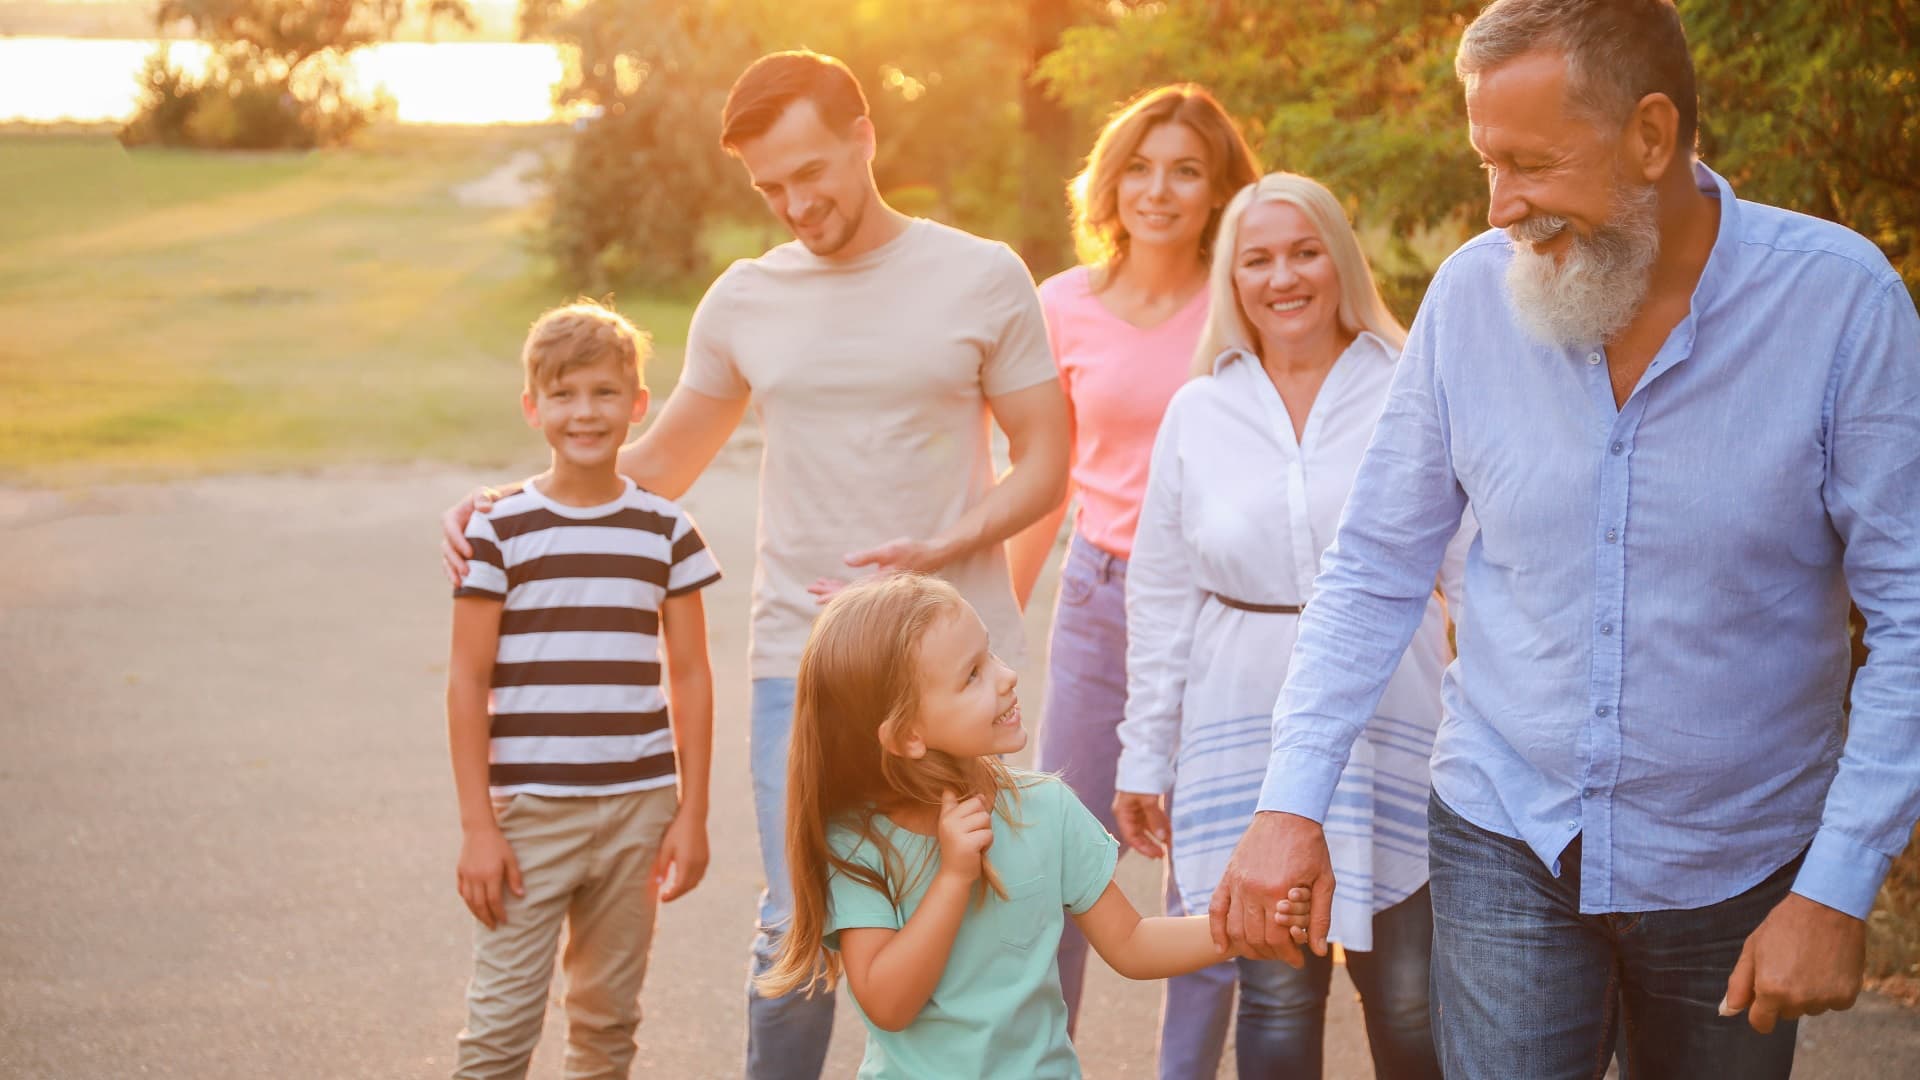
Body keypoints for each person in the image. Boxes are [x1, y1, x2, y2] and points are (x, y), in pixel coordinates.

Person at [1209, 2, 1920, 1078]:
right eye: (1487, 162)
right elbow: (1373, 571)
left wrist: (1836, 882)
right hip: (1507, 831)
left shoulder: (1840, 305)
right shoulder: (1467, 302)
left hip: (1735, 863)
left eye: (1532, 164)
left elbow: (1912, 615)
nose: (1501, 208)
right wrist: (1287, 801)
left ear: (1651, 134)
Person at [440, 51, 1070, 1080]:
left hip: (958, 663)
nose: (794, 203)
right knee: (802, 924)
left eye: (810, 172)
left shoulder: (981, 274)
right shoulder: (747, 299)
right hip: (802, 664)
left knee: (964, 922)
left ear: (866, 137)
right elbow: (653, 468)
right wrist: (511, 506)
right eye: (768, 187)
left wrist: (949, 543)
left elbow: (1048, 461)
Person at [1118, 173, 1464, 1079]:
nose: (1284, 278)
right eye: (1258, 259)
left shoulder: (1407, 387)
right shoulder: (1201, 410)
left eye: (1305, 252)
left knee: (1408, 993)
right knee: (1274, 988)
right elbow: (1159, 595)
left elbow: (1472, 568)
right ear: (1231, 281)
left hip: (1395, 708)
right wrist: (1144, 755)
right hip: (1242, 711)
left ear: (1340, 261)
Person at [755, 573, 1309, 1079]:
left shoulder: (1047, 808)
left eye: (989, 654)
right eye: (972, 675)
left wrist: (1236, 928)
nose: (1006, 676)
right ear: (905, 737)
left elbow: (1133, 942)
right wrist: (952, 878)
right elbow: (887, 1004)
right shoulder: (859, 842)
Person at [1003, 82, 1259, 1072]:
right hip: (1098, 601)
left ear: (1218, 190)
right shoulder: (1061, 305)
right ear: (1113, 182)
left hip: (1221, 611)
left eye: (1186, 170)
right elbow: (1040, 483)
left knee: (1204, 873)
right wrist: (994, 622)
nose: (1159, 190)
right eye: (1142, 167)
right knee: (1059, 855)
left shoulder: (1242, 298)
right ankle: (1038, 1059)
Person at [444, 302, 721, 1078]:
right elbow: (465, 682)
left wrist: (691, 813)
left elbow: (692, 675)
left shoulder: (668, 532)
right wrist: (477, 826)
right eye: (563, 395)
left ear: (638, 406)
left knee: (605, 1025)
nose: (585, 412)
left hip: (638, 812)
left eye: (604, 393)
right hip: (530, 817)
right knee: (498, 1033)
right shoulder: (499, 530)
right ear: (533, 409)